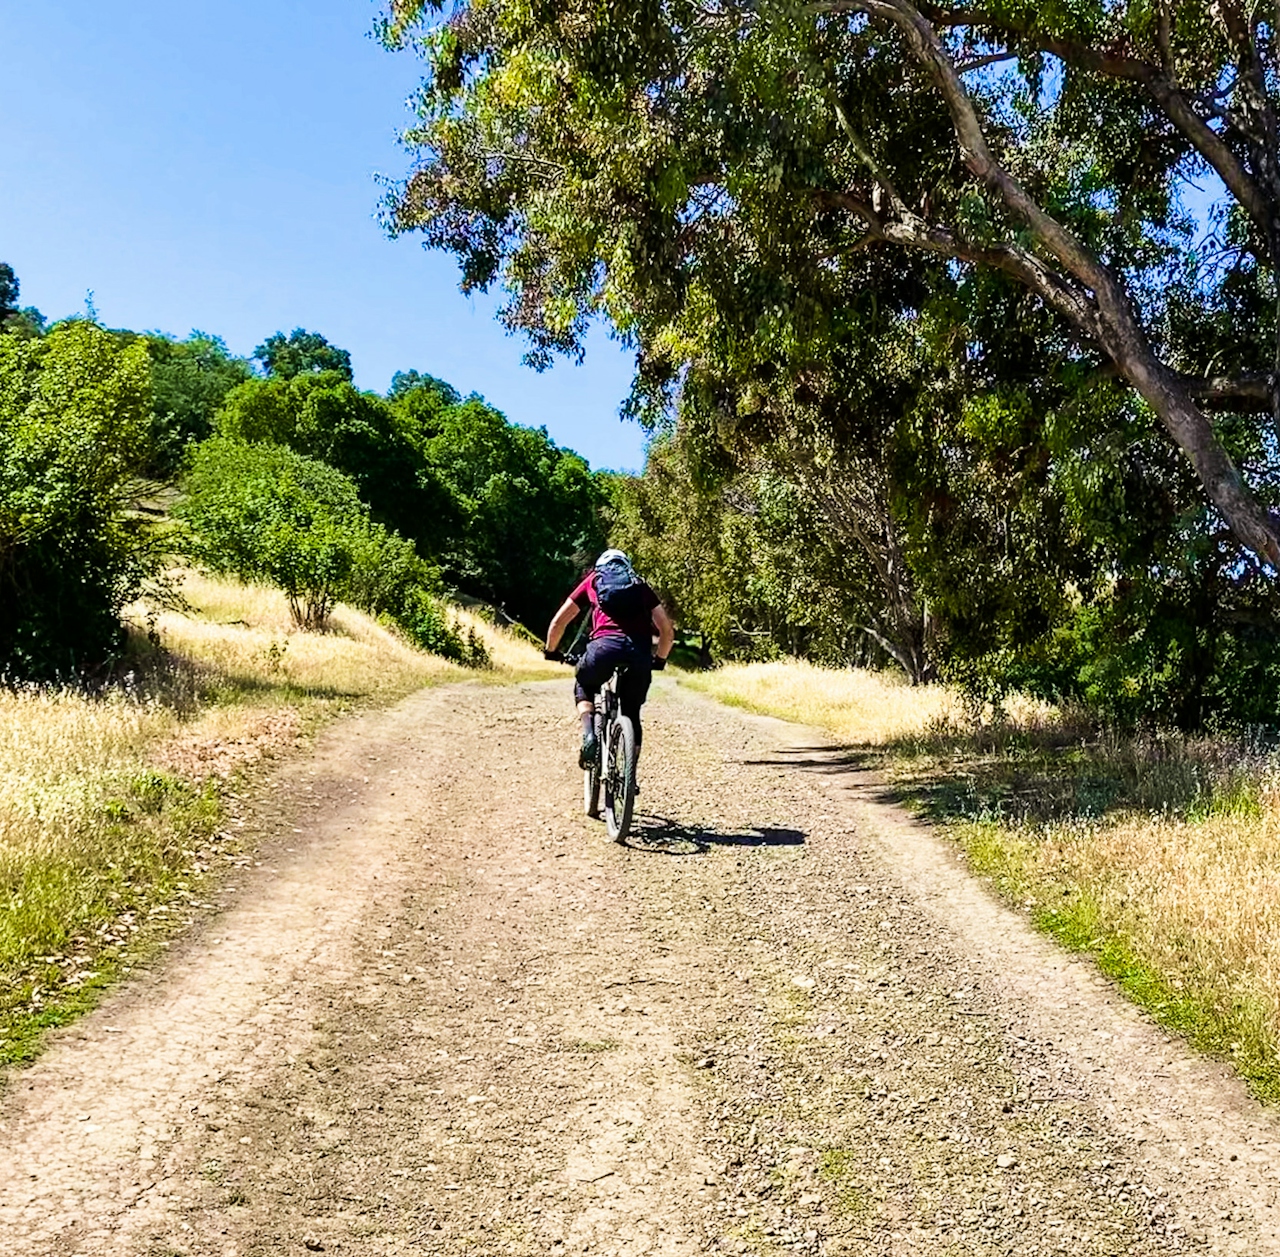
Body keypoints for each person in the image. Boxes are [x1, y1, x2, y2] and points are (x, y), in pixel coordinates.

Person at [544, 549, 675, 768]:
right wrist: (660, 659)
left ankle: (588, 734)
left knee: (584, 684)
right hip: (638, 653)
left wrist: (551, 651)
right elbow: (667, 631)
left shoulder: (593, 581)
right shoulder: (639, 585)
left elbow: (559, 622)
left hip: (603, 649)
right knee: (632, 711)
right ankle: (629, 776)